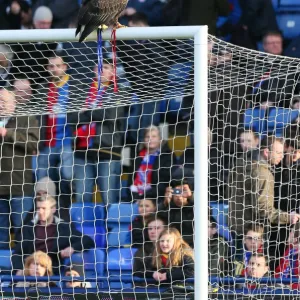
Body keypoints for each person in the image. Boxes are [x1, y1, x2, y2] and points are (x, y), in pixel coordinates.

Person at [228, 136, 300, 259]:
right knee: (253, 272)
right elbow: (263, 209)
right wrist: (288, 217)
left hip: (237, 228)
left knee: (239, 270)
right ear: (266, 152)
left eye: (283, 152)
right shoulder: (263, 173)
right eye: (278, 152)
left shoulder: (240, 163)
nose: (282, 156)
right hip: (253, 234)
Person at [69, 59, 125, 204]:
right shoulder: (82, 90)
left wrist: (86, 111)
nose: (102, 70)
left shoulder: (119, 91)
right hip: (82, 150)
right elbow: (72, 117)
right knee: (82, 195)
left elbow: (110, 115)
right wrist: (94, 112)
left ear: (113, 72)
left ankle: (110, 227)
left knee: (108, 197)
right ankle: (81, 227)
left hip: (107, 150)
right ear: (94, 70)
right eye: (99, 67)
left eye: (106, 67)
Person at [37, 54, 82, 209]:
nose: (54, 69)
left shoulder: (75, 85)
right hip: (46, 143)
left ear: (65, 67)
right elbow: (38, 116)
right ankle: (47, 211)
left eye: (58, 66)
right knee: (44, 179)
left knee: (67, 177)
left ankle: (66, 209)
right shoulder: (43, 87)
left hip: (67, 140)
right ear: (47, 69)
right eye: (51, 66)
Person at [12, 194, 95, 275]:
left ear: (53, 209)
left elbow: (87, 240)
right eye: (38, 208)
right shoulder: (29, 228)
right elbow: (18, 253)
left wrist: (72, 248)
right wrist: (18, 269)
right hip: (31, 270)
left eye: (44, 208)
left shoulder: (63, 228)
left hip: (51, 271)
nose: (40, 212)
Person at [0, 88, 38, 249]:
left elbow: (33, 143)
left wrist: (7, 133)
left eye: (4, 101)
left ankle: (22, 270)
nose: (1, 105)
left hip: (19, 187)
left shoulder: (26, 119)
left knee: (22, 233)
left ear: (14, 103)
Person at [11, 6, 59, 86]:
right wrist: (15, 83)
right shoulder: (24, 39)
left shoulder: (54, 41)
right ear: (35, 22)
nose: (45, 27)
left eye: (48, 23)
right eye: (42, 23)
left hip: (45, 86)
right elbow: (15, 64)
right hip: (24, 84)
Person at [129, 126, 172, 200]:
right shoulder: (138, 156)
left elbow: (164, 183)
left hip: (156, 198)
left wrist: (145, 196)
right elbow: (131, 180)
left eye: (154, 136)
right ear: (144, 139)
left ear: (160, 139)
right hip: (135, 197)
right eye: (147, 137)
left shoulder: (167, 155)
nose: (150, 139)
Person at [158, 167, 194, 247]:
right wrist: (165, 203)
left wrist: (191, 198)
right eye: (176, 191)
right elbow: (158, 219)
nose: (179, 194)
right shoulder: (167, 208)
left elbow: (208, 214)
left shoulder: (197, 205)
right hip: (171, 245)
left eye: (182, 190)